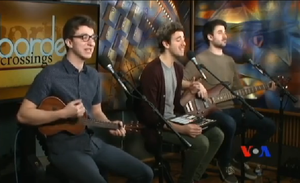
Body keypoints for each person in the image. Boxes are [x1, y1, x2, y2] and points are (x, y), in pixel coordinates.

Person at [16, 15, 153, 183]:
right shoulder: (50, 75)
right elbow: (23, 115)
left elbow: (96, 112)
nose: (91, 43)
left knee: (145, 173)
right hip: (64, 149)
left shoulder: (94, 76)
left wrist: (110, 125)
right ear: (69, 42)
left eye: (93, 38)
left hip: (91, 143)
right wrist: (63, 113)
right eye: (84, 37)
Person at [183, 19, 277, 183]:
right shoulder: (198, 61)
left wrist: (263, 87)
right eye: (220, 32)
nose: (225, 35)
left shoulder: (230, 61)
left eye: (225, 32)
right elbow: (181, 86)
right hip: (209, 111)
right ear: (210, 37)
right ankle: (224, 163)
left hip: (231, 108)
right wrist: (196, 87)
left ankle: (240, 159)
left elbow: (238, 91)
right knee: (229, 123)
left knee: (269, 125)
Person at [136, 21, 224, 183]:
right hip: (158, 127)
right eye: (178, 39)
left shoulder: (177, 69)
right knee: (202, 143)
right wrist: (182, 129)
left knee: (217, 135)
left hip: (174, 119)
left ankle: (191, 178)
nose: (184, 43)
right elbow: (150, 117)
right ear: (166, 43)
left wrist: (190, 93)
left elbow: (177, 105)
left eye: (183, 38)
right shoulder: (152, 71)